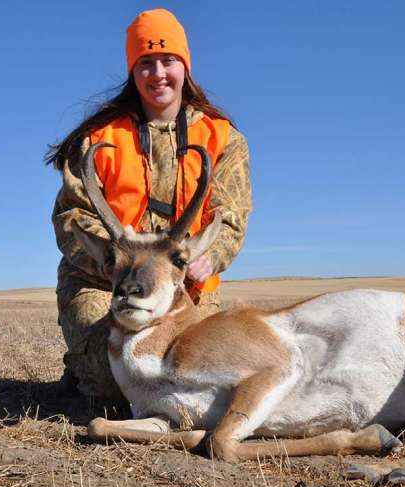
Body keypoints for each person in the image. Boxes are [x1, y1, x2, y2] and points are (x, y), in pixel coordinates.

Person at [46, 9, 252, 402]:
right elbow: (71, 219)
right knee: (120, 384)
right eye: (145, 63)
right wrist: (109, 263)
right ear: (132, 71)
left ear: (185, 67)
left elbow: (230, 218)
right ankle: (85, 365)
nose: (158, 73)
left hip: (183, 287)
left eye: (168, 60)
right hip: (105, 284)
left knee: (201, 380)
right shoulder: (97, 139)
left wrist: (211, 257)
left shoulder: (224, 139)